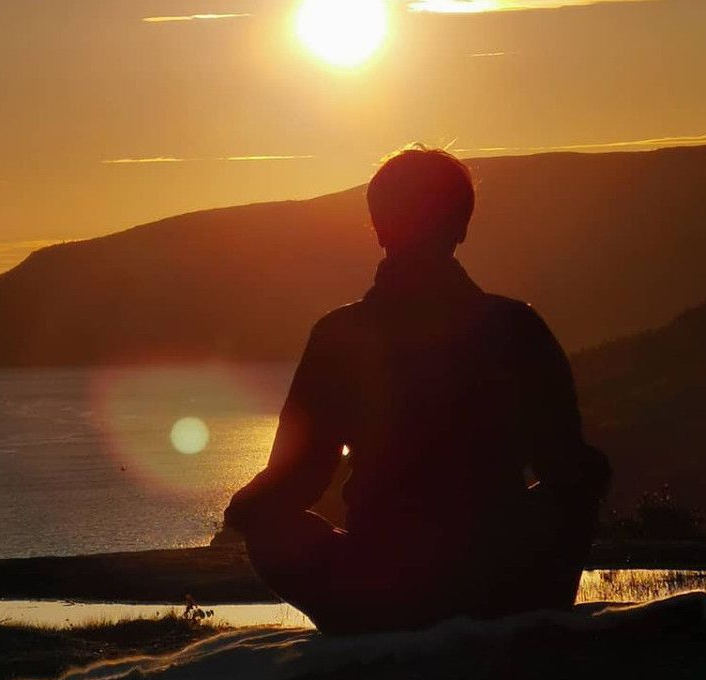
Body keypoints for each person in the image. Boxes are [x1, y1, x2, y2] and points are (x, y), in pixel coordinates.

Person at [223, 146, 611, 634]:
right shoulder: (517, 326)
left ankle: (366, 624)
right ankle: (524, 609)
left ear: (379, 228)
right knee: (578, 488)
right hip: (503, 578)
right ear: (462, 228)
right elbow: (566, 467)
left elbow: (300, 476)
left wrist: (247, 508)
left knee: (270, 531)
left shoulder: (340, 334)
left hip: (382, 584)